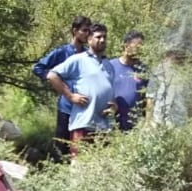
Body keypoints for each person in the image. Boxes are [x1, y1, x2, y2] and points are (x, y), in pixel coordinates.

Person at [47, 23, 115, 157]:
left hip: (103, 127)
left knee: (102, 169)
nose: (102, 40)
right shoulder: (79, 60)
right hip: (83, 124)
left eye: (104, 37)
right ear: (89, 39)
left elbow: (109, 91)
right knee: (80, 167)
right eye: (98, 37)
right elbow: (52, 75)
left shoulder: (108, 65)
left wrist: (114, 106)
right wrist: (70, 96)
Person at [32, 16, 91, 156]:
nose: (87, 34)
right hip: (66, 106)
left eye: (89, 31)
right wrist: (55, 81)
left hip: (84, 107)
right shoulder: (62, 52)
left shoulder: (88, 54)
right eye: (84, 30)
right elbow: (38, 68)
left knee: (81, 148)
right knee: (61, 147)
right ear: (74, 31)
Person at [108, 30, 149, 131]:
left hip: (135, 126)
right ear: (126, 46)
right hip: (112, 123)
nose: (140, 50)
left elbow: (148, 99)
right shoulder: (110, 66)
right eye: (137, 46)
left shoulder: (143, 70)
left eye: (142, 47)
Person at [147, 47, 192, 127]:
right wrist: (147, 122)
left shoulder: (186, 75)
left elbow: (191, 102)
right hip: (158, 122)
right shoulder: (157, 74)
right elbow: (150, 99)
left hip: (180, 123)